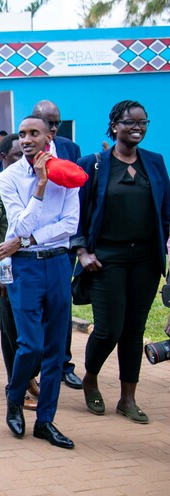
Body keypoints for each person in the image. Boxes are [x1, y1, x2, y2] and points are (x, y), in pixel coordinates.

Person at [72, 100, 170, 424]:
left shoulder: (154, 163)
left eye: (143, 122)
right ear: (114, 126)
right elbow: (77, 214)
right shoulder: (95, 164)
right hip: (106, 258)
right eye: (130, 122)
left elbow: (165, 214)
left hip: (145, 258)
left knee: (133, 330)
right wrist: (82, 252)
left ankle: (128, 398)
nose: (137, 128)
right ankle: (90, 377)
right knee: (109, 328)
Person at [0, 115, 79, 449]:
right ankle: (15, 398)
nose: (27, 139)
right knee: (31, 344)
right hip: (25, 269)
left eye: (34, 133)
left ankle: (45, 421)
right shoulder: (10, 178)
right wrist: (41, 186)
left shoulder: (68, 172)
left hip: (58, 263)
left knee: (56, 349)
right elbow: (18, 226)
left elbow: (70, 224)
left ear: (50, 136)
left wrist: (29, 240)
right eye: (22, 134)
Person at [0, 135, 39, 409]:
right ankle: (15, 384)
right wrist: (2, 272)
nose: (22, 160)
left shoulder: (34, 185)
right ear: (3, 157)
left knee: (33, 332)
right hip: (6, 273)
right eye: (15, 155)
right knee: (11, 333)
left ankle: (28, 377)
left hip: (33, 270)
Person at [33, 99, 83, 390]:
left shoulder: (69, 149)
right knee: (36, 309)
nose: (53, 129)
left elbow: (78, 193)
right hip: (31, 244)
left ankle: (64, 363)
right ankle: (36, 366)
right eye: (47, 123)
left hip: (64, 243)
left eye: (56, 123)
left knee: (62, 306)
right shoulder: (24, 148)